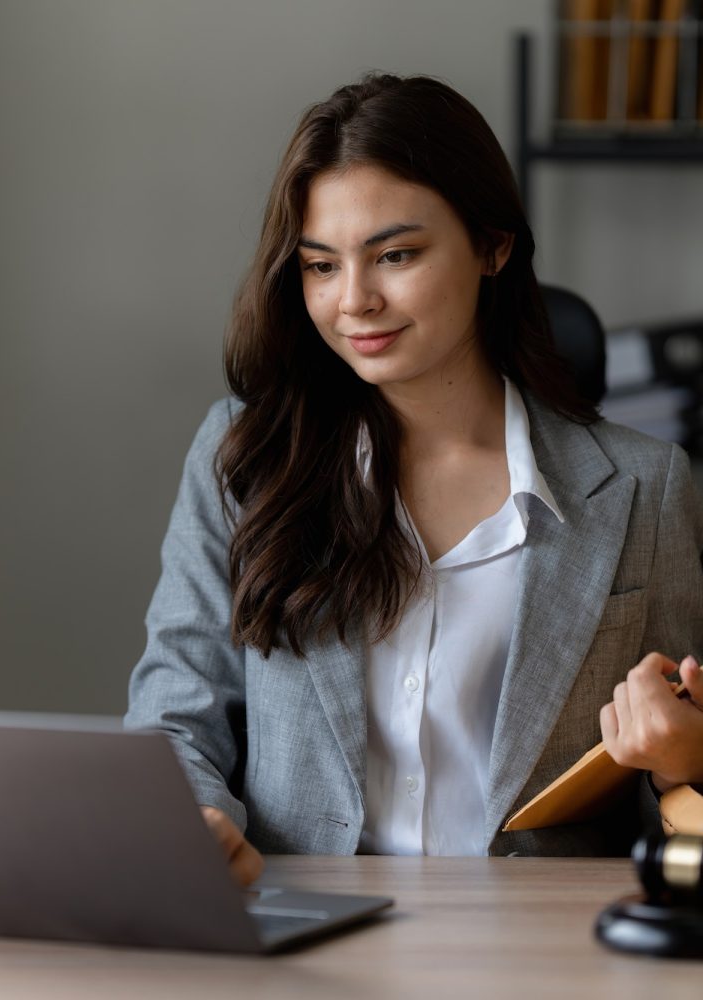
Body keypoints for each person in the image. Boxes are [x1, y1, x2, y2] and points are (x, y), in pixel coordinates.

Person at [125, 73, 703, 885]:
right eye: (321, 266)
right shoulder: (244, 458)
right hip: (303, 924)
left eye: (396, 255)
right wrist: (195, 819)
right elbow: (174, 714)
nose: (354, 301)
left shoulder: (647, 487)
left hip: (539, 946)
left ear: (492, 245)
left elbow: (664, 798)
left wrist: (684, 761)